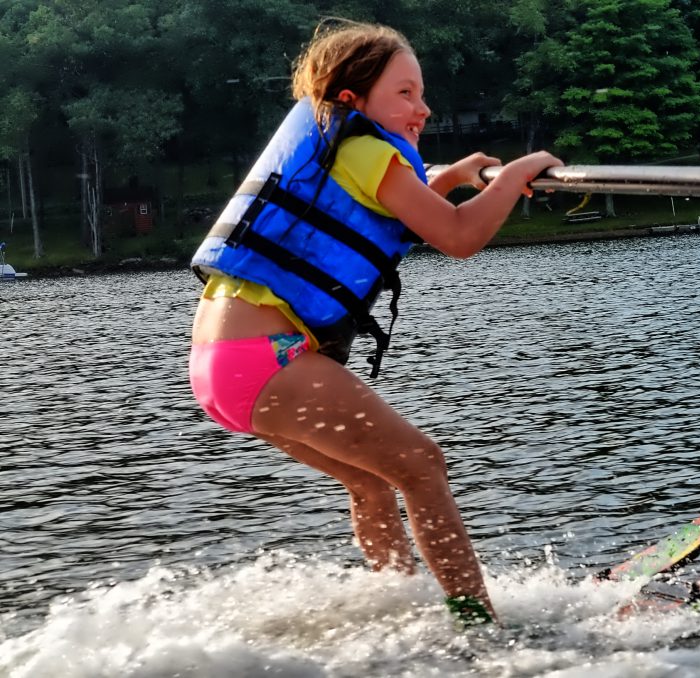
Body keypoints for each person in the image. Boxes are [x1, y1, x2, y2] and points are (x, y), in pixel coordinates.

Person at [188, 19, 562, 625]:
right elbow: (460, 235)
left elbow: (377, 223)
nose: (423, 107)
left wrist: (447, 179)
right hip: (270, 361)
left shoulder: (343, 149)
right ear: (351, 99)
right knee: (422, 466)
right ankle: (477, 626)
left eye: (421, 93)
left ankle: (398, 608)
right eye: (405, 93)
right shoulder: (369, 150)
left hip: (223, 370)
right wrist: (518, 174)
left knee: (373, 482)